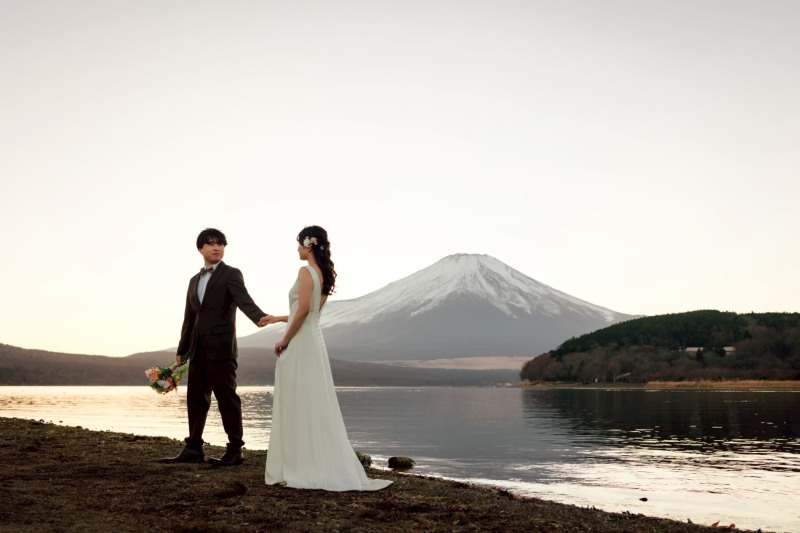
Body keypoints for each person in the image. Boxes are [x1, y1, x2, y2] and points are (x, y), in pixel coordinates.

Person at [261, 226, 392, 491]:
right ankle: (312, 459)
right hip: (313, 340)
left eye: (299, 244)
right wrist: (278, 317)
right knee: (311, 399)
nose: (297, 249)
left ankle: (301, 464)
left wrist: (284, 340)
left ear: (309, 245)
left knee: (298, 398)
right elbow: (308, 313)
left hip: (300, 342)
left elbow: (305, 310)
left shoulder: (304, 271)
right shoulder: (322, 274)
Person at [161, 228, 271, 466]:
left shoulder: (231, 274)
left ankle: (234, 451)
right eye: (210, 244)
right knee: (196, 399)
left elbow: (243, 299)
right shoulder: (194, 280)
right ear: (200, 249)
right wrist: (182, 349)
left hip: (222, 348)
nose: (216, 247)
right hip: (197, 348)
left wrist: (259, 317)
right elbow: (190, 317)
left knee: (227, 399)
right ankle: (193, 448)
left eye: (220, 243)